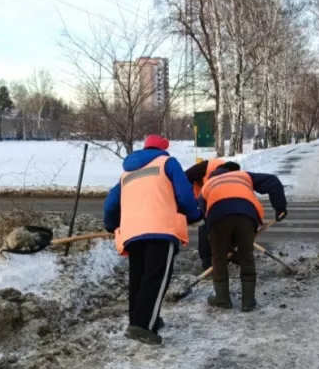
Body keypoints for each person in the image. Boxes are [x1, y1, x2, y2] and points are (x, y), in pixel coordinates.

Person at [104, 135, 202, 345]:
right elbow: (184, 193)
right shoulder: (167, 163)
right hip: (160, 228)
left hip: (132, 232)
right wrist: (194, 215)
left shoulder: (128, 172)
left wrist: (111, 225)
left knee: (138, 277)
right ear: (163, 150)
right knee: (156, 277)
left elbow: (111, 202)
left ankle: (143, 320)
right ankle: (142, 326)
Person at [199, 163, 287, 312]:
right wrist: (280, 208)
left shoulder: (207, 185)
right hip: (246, 215)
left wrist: (223, 245)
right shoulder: (243, 176)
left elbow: (204, 218)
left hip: (218, 217)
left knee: (218, 257)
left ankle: (222, 299)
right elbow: (272, 181)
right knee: (247, 257)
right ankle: (248, 301)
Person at [184, 157, 235, 270]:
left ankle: (225, 257)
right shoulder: (204, 168)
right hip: (205, 200)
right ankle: (208, 262)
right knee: (205, 228)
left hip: (218, 200)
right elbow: (184, 179)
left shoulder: (230, 174)